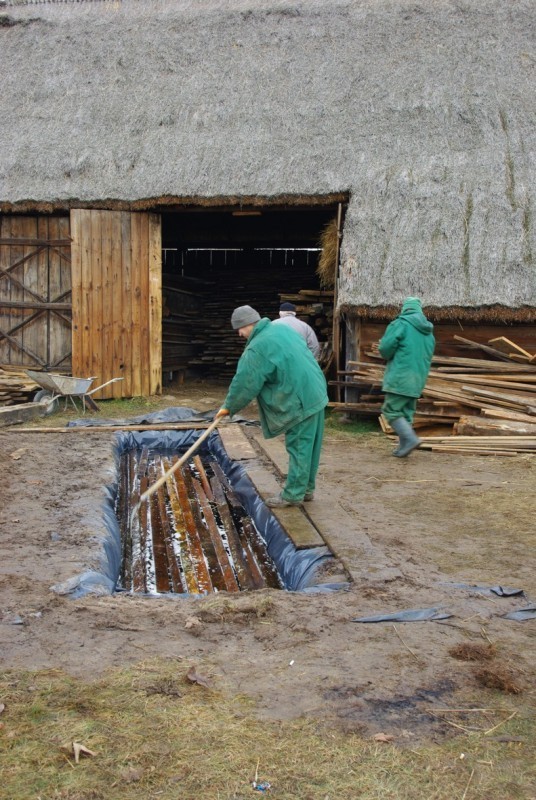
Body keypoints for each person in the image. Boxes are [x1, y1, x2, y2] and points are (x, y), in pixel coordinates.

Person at [216, 305, 328, 507]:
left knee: (300, 447)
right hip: (316, 391)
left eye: (239, 329)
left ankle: (293, 494)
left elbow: (245, 382)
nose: (240, 334)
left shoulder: (257, 347)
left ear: (249, 324)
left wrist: (228, 407)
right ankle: (307, 489)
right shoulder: (282, 329)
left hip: (299, 399)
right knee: (311, 446)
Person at [378, 297, 435, 457]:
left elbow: (385, 349)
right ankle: (403, 448)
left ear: (405, 309)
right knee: (407, 412)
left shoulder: (400, 324)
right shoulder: (429, 333)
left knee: (391, 411)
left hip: (400, 377)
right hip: (418, 380)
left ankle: (410, 439)